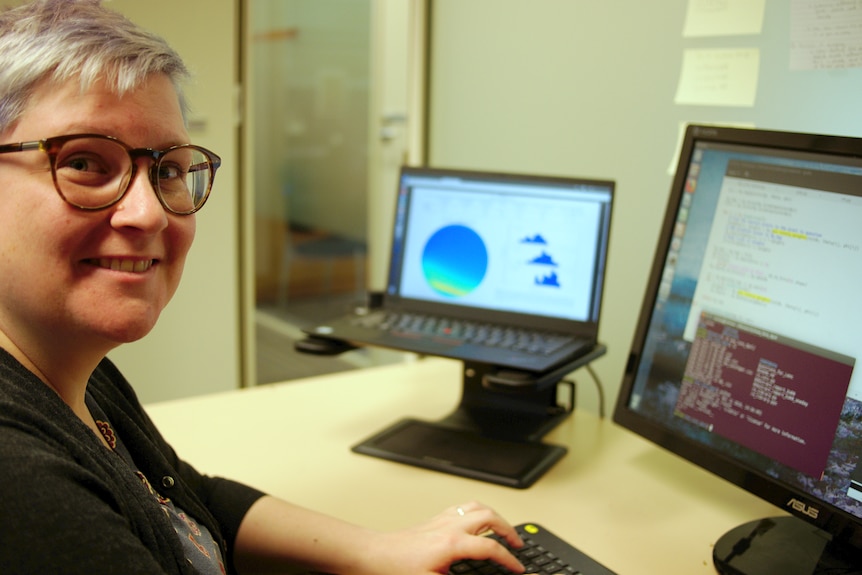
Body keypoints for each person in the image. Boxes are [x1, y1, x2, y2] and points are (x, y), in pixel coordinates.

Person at [0, 1, 530, 573]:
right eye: (84, 162)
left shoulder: (69, 369)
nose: (149, 213)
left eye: (169, 170)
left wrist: (381, 550)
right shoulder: (22, 483)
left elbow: (189, 500)